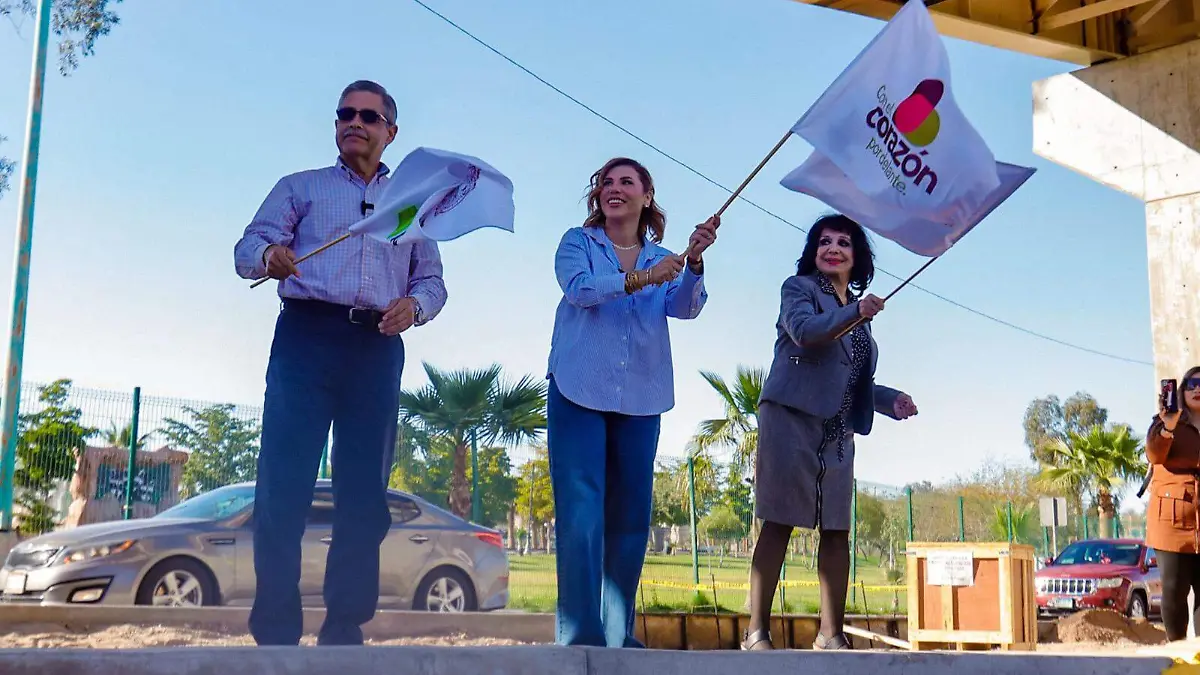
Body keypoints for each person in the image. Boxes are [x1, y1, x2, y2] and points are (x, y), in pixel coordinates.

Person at [233, 80, 448, 646]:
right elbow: (246, 248)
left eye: (369, 116)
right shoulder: (299, 188)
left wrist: (415, 306)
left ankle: (345, 624)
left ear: (390, 132)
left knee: (364, 493)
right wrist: (269, 255)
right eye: (345, 114)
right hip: (306, 338)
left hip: (375, 347)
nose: (355, 122)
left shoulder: (411, 205)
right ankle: (276, 628)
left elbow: (432, 280)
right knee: (283, 484)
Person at [546, 157, 719, 647]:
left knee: (629, 519)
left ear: (647, 197)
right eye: (606, 181)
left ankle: (619, 634)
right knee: (582, 512)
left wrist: (695, 263)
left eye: (627, 182)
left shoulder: (664, 256)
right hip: (578, 389)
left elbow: (685, 308)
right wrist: (641, 279)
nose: (613, 188)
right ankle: (580, 633)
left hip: (642, 397)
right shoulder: (577, 243)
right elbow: (579, 290)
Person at [742, 214, 918, 651]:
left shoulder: (859, 314)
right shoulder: (798, 290)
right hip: (790, 417)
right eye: (824, 242)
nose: (832, 248)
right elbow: (804, 333)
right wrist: (855, 312)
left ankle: (830, 635)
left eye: (843, 242)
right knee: (779, 519)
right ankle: (756, 633)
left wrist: (889, 400)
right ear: (813, 251)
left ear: (857, 257)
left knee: (837, 528)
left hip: (838, 430)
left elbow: (851, 378)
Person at [1144, 366, 1200, 641]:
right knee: (1174, 588)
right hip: (1171, 520)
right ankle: (1178, 653)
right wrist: (1168, 425)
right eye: (1192, 384)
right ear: (1181, 390)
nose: (1198, 389)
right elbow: (1154, 455)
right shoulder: (1165, 421)